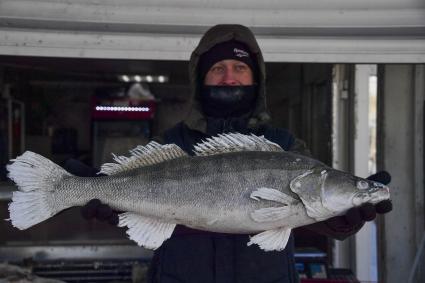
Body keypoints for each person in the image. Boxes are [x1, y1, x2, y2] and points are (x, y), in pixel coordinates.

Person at [68, 24, 392, 283]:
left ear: (255, 79)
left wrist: (343, 220)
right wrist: (112, 205)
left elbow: (310, 219)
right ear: (201, 79)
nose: (229, 77)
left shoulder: (284, 145)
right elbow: (148, 212)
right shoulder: (172, 142)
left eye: (240, 67)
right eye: (218, 69)